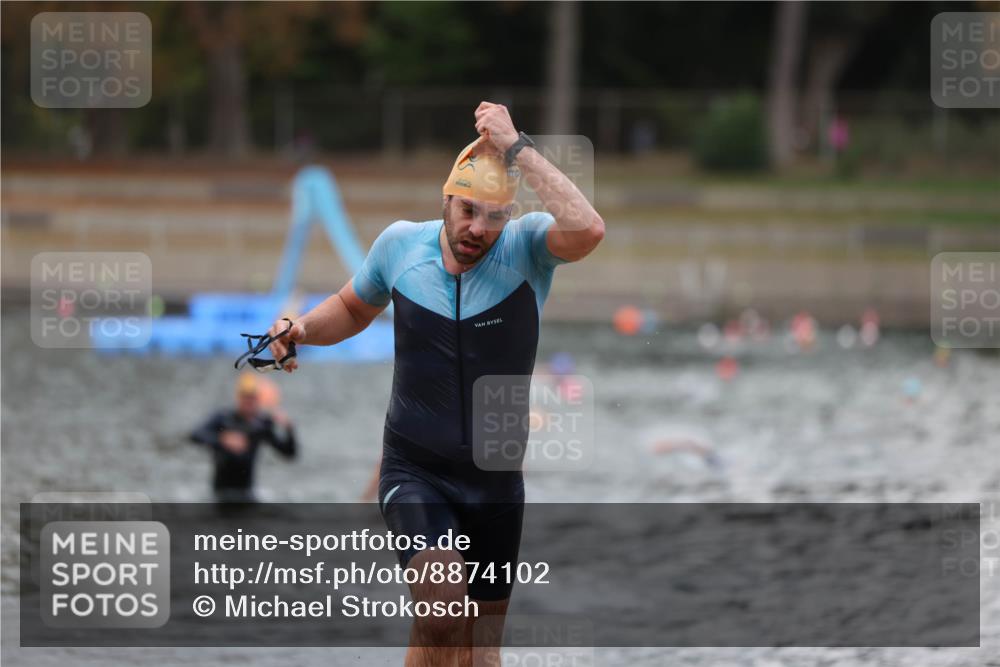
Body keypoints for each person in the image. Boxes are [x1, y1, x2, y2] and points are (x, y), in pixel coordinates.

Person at [265, 102, 604, 666]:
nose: (477, 228)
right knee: (443, 610)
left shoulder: (527, 249)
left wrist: (518, 146)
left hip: (496, 482)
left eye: (493, 216)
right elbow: (351, 308)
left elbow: (589, 229)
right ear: (445, 199)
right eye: (467, 210)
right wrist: (299, 329)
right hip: (415, 468)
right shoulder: (401, 246)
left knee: (476, 650)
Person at [189, 372, 298, 503]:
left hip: (246, 494)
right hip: (220, 494)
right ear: (238, 397)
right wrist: (223, 440)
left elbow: (289, 454)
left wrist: (289, 429)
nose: (249, 401)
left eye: (252, 397)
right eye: (245, 397)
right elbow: (195, 435)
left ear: (258, 399)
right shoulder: (223, 419)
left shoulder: (262, 425)